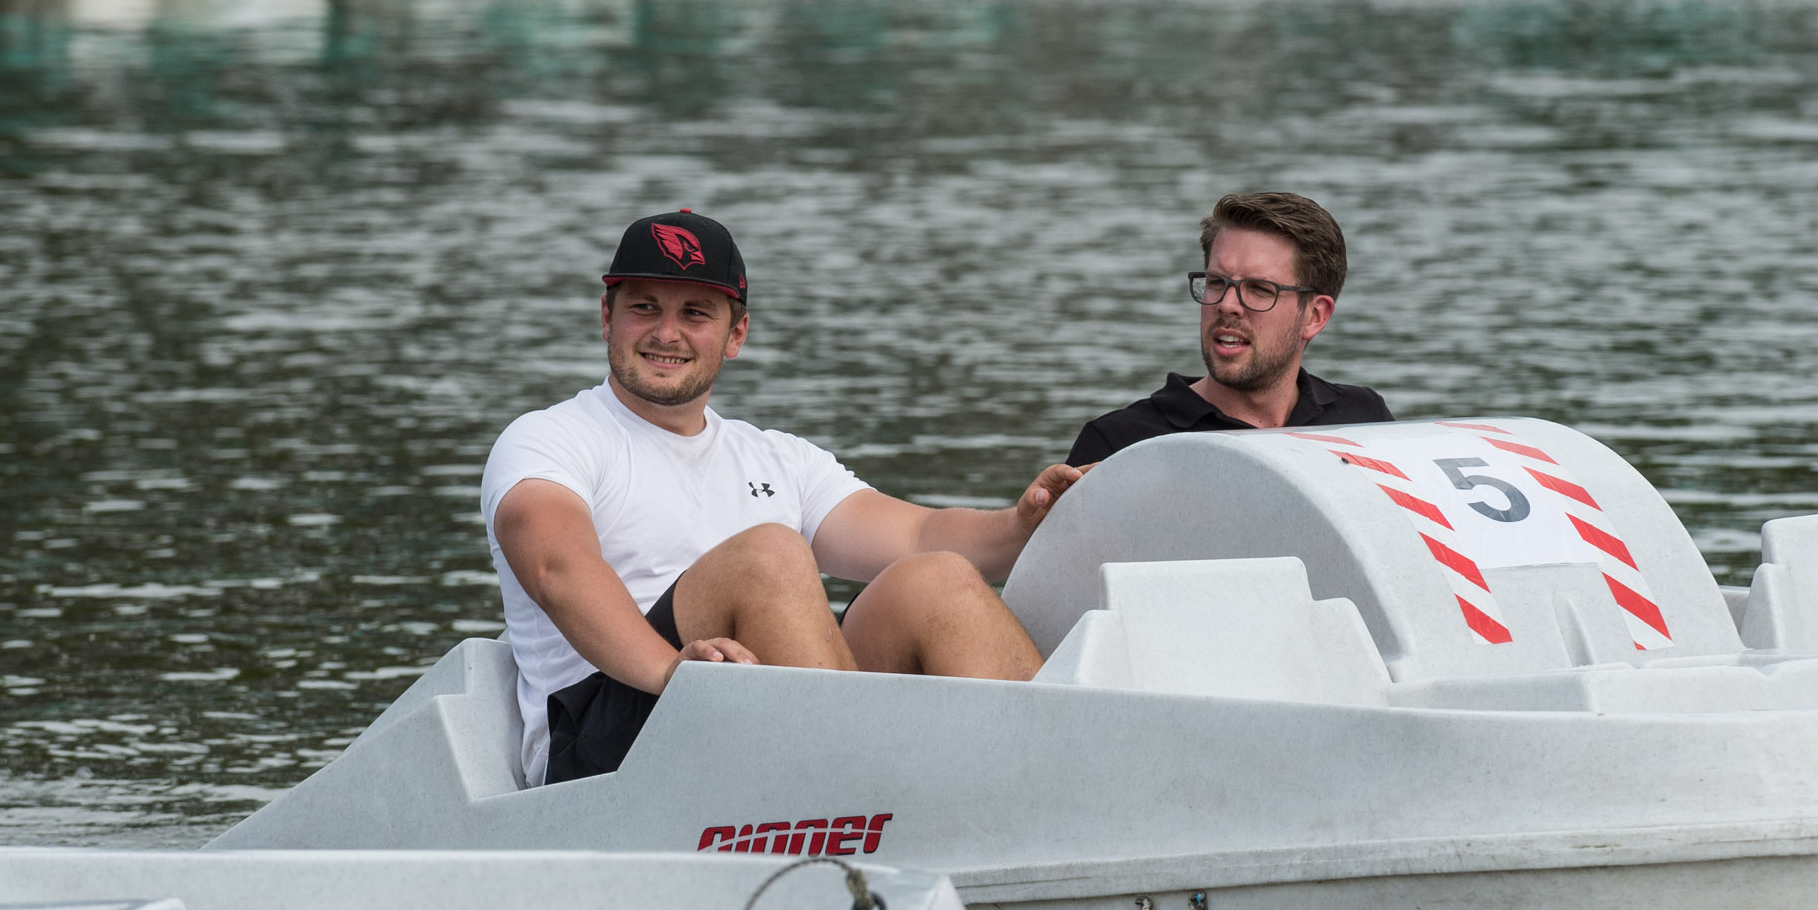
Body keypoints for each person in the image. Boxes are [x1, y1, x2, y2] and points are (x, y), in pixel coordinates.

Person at [484, 212, 1082, 788]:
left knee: (939, 579)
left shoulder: (778, 458)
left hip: (761, 720)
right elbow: (556, 569)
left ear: (735, 334)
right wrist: (673, 674)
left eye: (695, 313)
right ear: (607, 316)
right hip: (604, 745)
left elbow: (918, 535)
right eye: (644, 307)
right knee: (768, 554)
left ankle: (1049, 797)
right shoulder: (548, 438)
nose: (666, 333)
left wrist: (1024, 519)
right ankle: (872, 804)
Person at [1066, 190, 1392, 466]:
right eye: (1216, 282)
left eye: (1260, 289)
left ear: (1315, 316)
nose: (1226, 304)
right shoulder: (1120, 445)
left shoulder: (1362, 419)